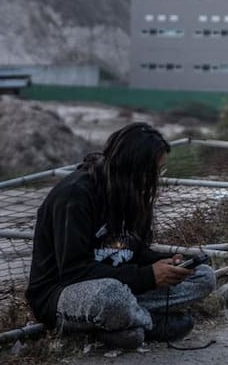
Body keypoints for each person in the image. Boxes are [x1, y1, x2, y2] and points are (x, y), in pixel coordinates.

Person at [26, 123, 215, 349]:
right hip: (62, 295)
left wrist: (165, 263)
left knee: (203, 276)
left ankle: (125, 323)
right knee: (112, 296)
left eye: (160, 171)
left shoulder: (133, 194)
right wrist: (148, 277)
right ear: (134, 167)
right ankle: (150, 322)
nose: (156, 179)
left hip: (122, 287)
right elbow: (73, 272)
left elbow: (135, 252)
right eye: (153, 172)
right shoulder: (75, 195)